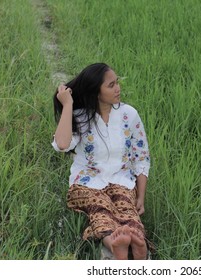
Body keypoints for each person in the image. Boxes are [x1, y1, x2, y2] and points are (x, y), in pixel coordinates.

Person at [52, 63, 151, 260]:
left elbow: (141, 156)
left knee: (127, 212)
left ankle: (138, 246)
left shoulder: (128, 114)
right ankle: (114, 244)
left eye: (117, 83)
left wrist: (140, 196)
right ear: (96, 92)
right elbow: (62, 144)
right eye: (111, 85)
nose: (118, 88)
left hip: (121, 180)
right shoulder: (80, 117)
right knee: (100, 210)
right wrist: (68, 105)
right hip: (86, 183)